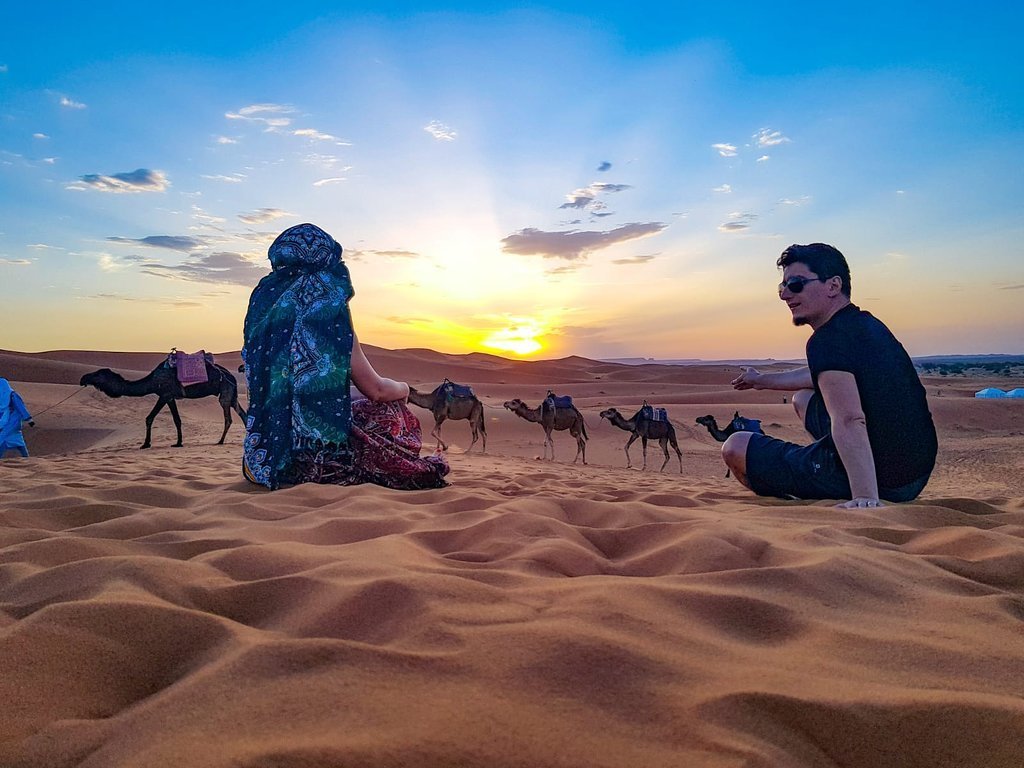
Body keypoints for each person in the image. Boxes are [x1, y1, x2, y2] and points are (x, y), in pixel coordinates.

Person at [723, 243, 937, 508]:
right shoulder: (865, 325)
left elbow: (849, 419)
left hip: (884, 480)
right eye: (782, 287)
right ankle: (835, 460)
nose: (785, 295)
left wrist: (865, 497)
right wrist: (760, 380)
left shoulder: (827, 340)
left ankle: (835, 477)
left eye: (796, 284)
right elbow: (820, 377)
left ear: (833, 286)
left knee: (736, 446)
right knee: (802, 398)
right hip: (913, 472)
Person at [241, 223, 449, 490]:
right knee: (389, 408)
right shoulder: (328, 314)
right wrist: (404, 389)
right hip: (322, 465)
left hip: (261, 462)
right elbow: (376, 389)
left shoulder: (262, 312)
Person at [0, 378, 35, 458]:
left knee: (2, 437)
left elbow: (21, 407)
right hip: (6, 422)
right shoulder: (2, 398)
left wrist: (29, 419)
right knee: (17, 439)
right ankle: (26, 457)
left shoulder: (13, 395)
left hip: (13, 421)